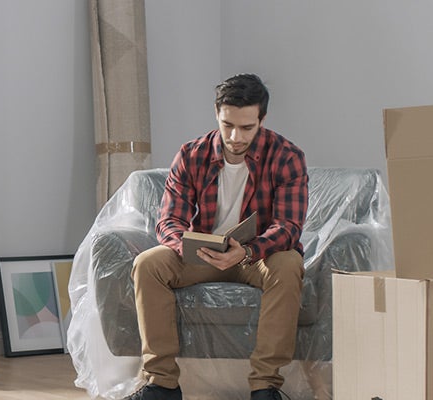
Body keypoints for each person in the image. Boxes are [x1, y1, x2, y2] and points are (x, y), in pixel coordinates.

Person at [126, 74, 307, 400]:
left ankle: (265, 387)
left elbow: (289, 226)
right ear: (216, 114)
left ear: (261, 119)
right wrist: (187, 246)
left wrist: (248, 251)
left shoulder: (286, 156)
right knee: (147, 264)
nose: (236, 137)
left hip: (256, 257)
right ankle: (161, 386)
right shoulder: (191, 155)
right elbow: (169, 220)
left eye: (247, 128)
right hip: (203, 255)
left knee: (289, 262)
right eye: (227, 125)